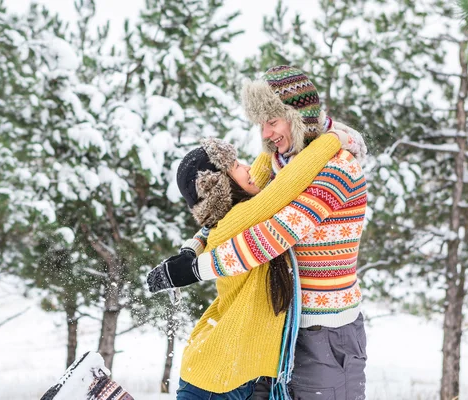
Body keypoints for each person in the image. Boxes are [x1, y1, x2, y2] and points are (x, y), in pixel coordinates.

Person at [148, 66, 368, 400]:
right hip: (279, 330)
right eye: (261, 124)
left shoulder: (339, 168)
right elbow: (231, 209)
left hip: (326, 330)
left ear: (297, 117)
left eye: (272, 121)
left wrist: (195, 270)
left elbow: (273, 235)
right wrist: (192, 248)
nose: (266, 134)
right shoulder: (280, 160)